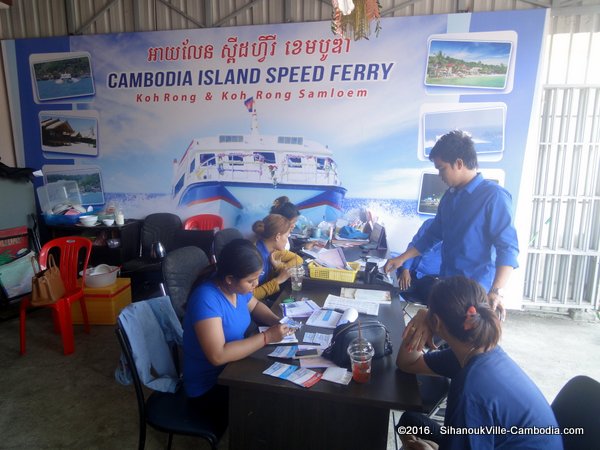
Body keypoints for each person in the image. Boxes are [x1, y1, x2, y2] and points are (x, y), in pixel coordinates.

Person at [396, 276, 563, 450]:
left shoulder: (469, 391)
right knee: (408, 422)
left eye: (428, 310)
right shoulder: (479, 350)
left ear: (436, 322)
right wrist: (422, 318)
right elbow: (408, 363)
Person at [385, 130, 519, 316]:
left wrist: (496, 291)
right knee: (442, 340)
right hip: (446, 287)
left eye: (441, 169)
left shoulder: (494, 197)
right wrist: (402, 259)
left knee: (466, 343)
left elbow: (508, 249)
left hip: (475, 295)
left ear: (459, 163)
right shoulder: (449, 197)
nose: (440, 175)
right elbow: (431, 236)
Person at [182, 238, 291, 430]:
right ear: (230, 278)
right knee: (275, 401)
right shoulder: (206, 298)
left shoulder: (237, 288)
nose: (256, 284)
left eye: (258, 277)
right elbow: (218, 355)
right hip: (209, 386)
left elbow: (255, 305)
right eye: (251, 280)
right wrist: (267, 337)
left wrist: (276, 321)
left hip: (234, 368)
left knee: (281, 388)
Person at [252, 213, 303, 302]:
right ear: (277, 237)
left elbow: (298, 259)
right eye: (287, 236)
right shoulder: (255, 258)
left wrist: (279, 266)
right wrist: (278, 280)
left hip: (263, 299)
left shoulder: (274, 251)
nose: (287, 240)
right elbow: (248, 297)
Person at [398, 218, 441, 304]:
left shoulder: (456, 233)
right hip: (410, 272)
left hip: (430, 279)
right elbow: (414, 245)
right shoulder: (429, 223)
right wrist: (405, 270)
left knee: (436, 300)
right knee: (390, 287)